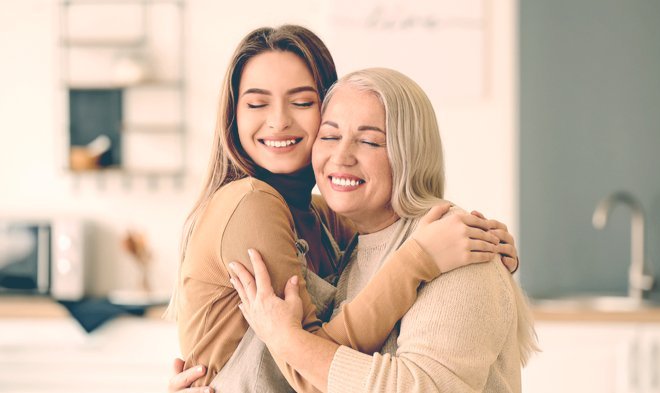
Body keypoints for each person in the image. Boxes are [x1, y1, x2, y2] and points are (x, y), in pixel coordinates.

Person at [167, 25, 522, 392]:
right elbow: (310, 374)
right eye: (256, 104)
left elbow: (394, 232)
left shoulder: (328, 217)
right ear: (233, 114)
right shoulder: (252, 203)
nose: (278, 121)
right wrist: (418, 260)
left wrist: (487, 242)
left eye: (302, 102)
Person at [229, 68, 538, 393]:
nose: (341, 156)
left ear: (411, 154)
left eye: (369, 141)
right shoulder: (346, 240)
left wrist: (288, 341)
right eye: (330, 136)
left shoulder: (458, 250)